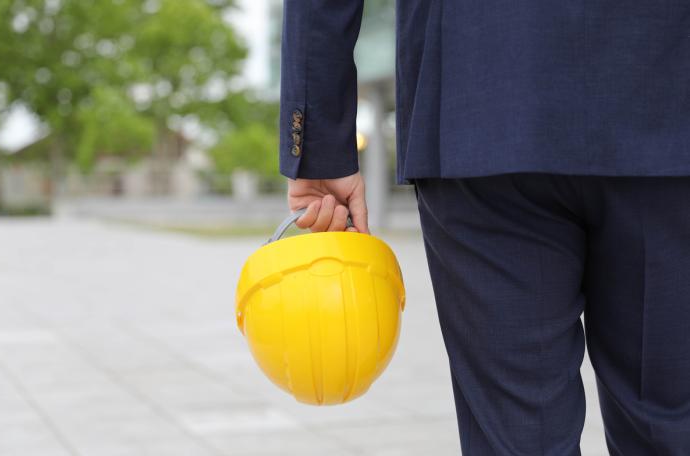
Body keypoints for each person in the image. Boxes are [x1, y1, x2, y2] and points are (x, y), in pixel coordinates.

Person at [278, 1, 690, 454]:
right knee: (672, 429)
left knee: (517, 440)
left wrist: (316, 142)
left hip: (475, 95)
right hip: (667, 81)